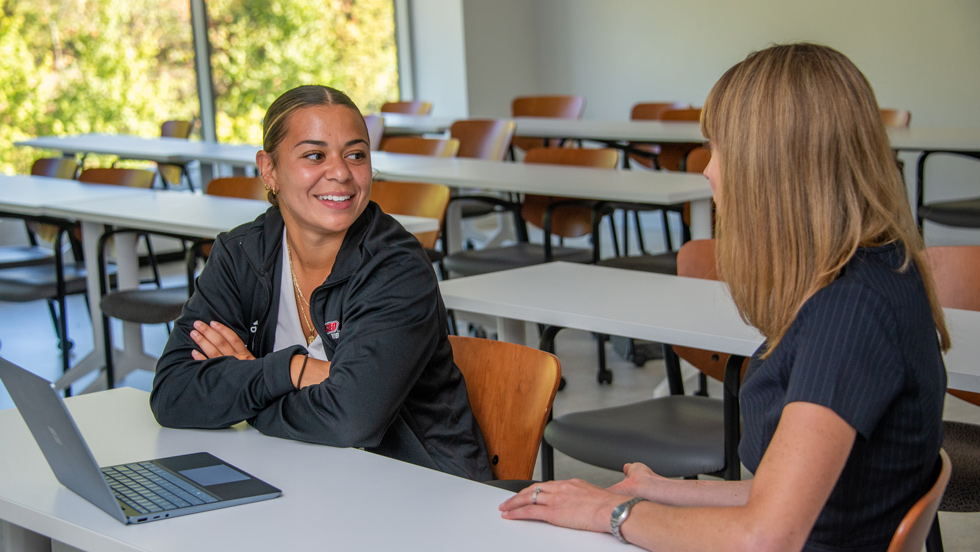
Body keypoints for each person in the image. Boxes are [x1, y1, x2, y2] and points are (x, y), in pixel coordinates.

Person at [500, 43, 949, 551]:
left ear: (773, 163)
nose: (708, 170)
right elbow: (796, 494)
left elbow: (767, 536)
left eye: (719, 148)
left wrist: (613, 513)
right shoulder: (881, 266)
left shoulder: (850, 312)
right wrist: (660, 491)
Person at [150, 85, 492, 481]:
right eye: (315, 155)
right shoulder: (241, 253)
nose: (341, 173)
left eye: (356, 155)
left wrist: (249, 382)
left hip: (419, 487)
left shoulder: (396, 267)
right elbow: (173, 394)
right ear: (269, 169)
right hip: (301, 476)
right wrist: (294, 370)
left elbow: (351, 418)